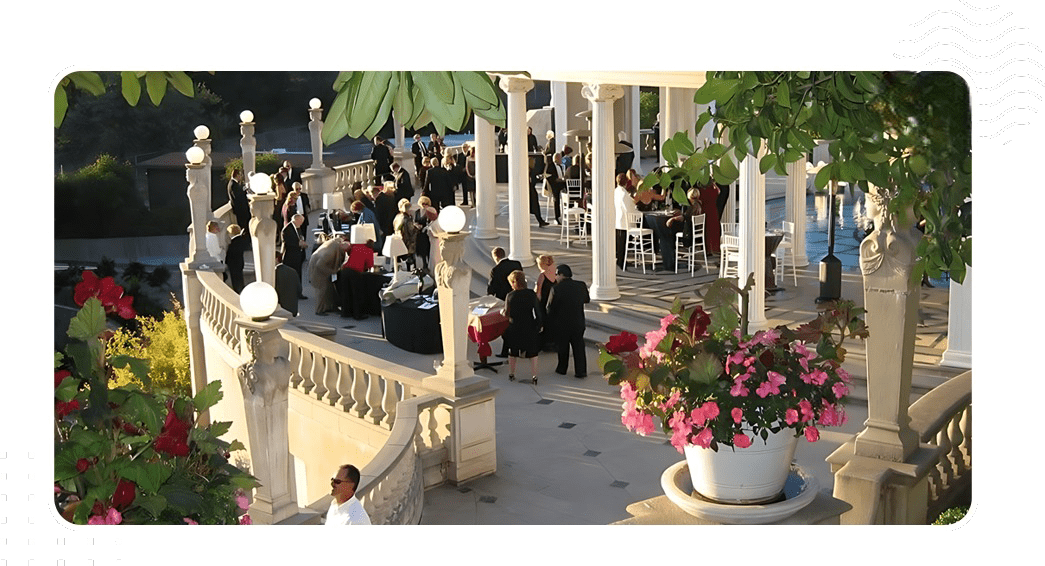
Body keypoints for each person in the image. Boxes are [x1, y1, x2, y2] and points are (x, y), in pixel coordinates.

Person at [545, 264, 590, 378]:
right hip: (578, 322)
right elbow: (586, 299)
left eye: (556, 274)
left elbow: (550, 308)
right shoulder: (581, 285)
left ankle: (562, 369)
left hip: (562, 324)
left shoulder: (556, 289)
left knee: (563, 347)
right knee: (579, 347)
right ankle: (581, 371)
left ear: (561, 274)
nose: (555, 277)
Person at [503, 270, 542, 384]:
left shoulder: (510, 296)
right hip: (529, 326)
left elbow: (507, 313)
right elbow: (538, 311)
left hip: (514, 327)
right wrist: (539, 324)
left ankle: (511, 373)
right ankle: (534, 376)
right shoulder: (531, 294)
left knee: (513, 351)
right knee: (533, 352)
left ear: (514, 282)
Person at [488, 247, 523, 358]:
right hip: (519, 297)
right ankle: (517, 348)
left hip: (504, 300)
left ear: (495, 257)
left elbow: (491, 289)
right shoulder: (516, 264)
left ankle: (505, 351)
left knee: (506, 327)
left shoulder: (495, 270)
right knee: (518, 324)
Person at [308, 234, 348, 315]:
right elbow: (319, 265)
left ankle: (331, 307)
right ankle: (319, 310)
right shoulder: (329, 253)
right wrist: (332, 271)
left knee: (329, 287)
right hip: (317, 267)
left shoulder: (336, 245)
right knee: (322, 288)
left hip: (321, 264)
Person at [614, 173, 641, 269]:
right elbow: (629, 207)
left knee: (620, 242)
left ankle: (620, 260)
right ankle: (621, 262)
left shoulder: (617, 191)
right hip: (623, 221)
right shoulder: (624, 194)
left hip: (618, 219)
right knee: (623, 243)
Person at [534, 254, 558, 351]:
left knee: (543, 323)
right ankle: (553, 343)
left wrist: (536, 303)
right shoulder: (555, 274)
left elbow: (538, 292)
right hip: (553, 302)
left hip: (544, 302)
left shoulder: (542, 275)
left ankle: (544, 344)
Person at [280, 214, 307, 293]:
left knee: (298, 274)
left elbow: (300, 237)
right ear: (297, 220)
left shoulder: (297, 228)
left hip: (297, 256)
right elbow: (288, 243)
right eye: (301, 222)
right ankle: (292, 292)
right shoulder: (287, 229)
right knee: (291, 275)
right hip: (290, 257)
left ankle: (298, 292)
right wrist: (300, 244)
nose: (301, 224)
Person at [392, 198, 419, 271]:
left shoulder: (397, 217)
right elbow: (411, 231)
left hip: (399, 241)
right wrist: (417, 228)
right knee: (409, 263)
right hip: (408, 243)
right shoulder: (407, 219)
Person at [413, 196, 438, 271]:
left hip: (426, 234)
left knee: (426, 249)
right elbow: (415, 221)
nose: (424, 205)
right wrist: (416, 225)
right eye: (423, 203)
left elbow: (432, 222)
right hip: (419, 233)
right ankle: (423, 263)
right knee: (420, 250)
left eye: (426, 203)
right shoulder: (417, 211)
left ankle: (426, 264)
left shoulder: (429, 212)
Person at [225, 224, 250, 293]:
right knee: (239, 278)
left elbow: (230, 255)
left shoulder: (233, 243)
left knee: (235, 280)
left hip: (234, 264)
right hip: (239, 263)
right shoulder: (240, 240)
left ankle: (238, 291)